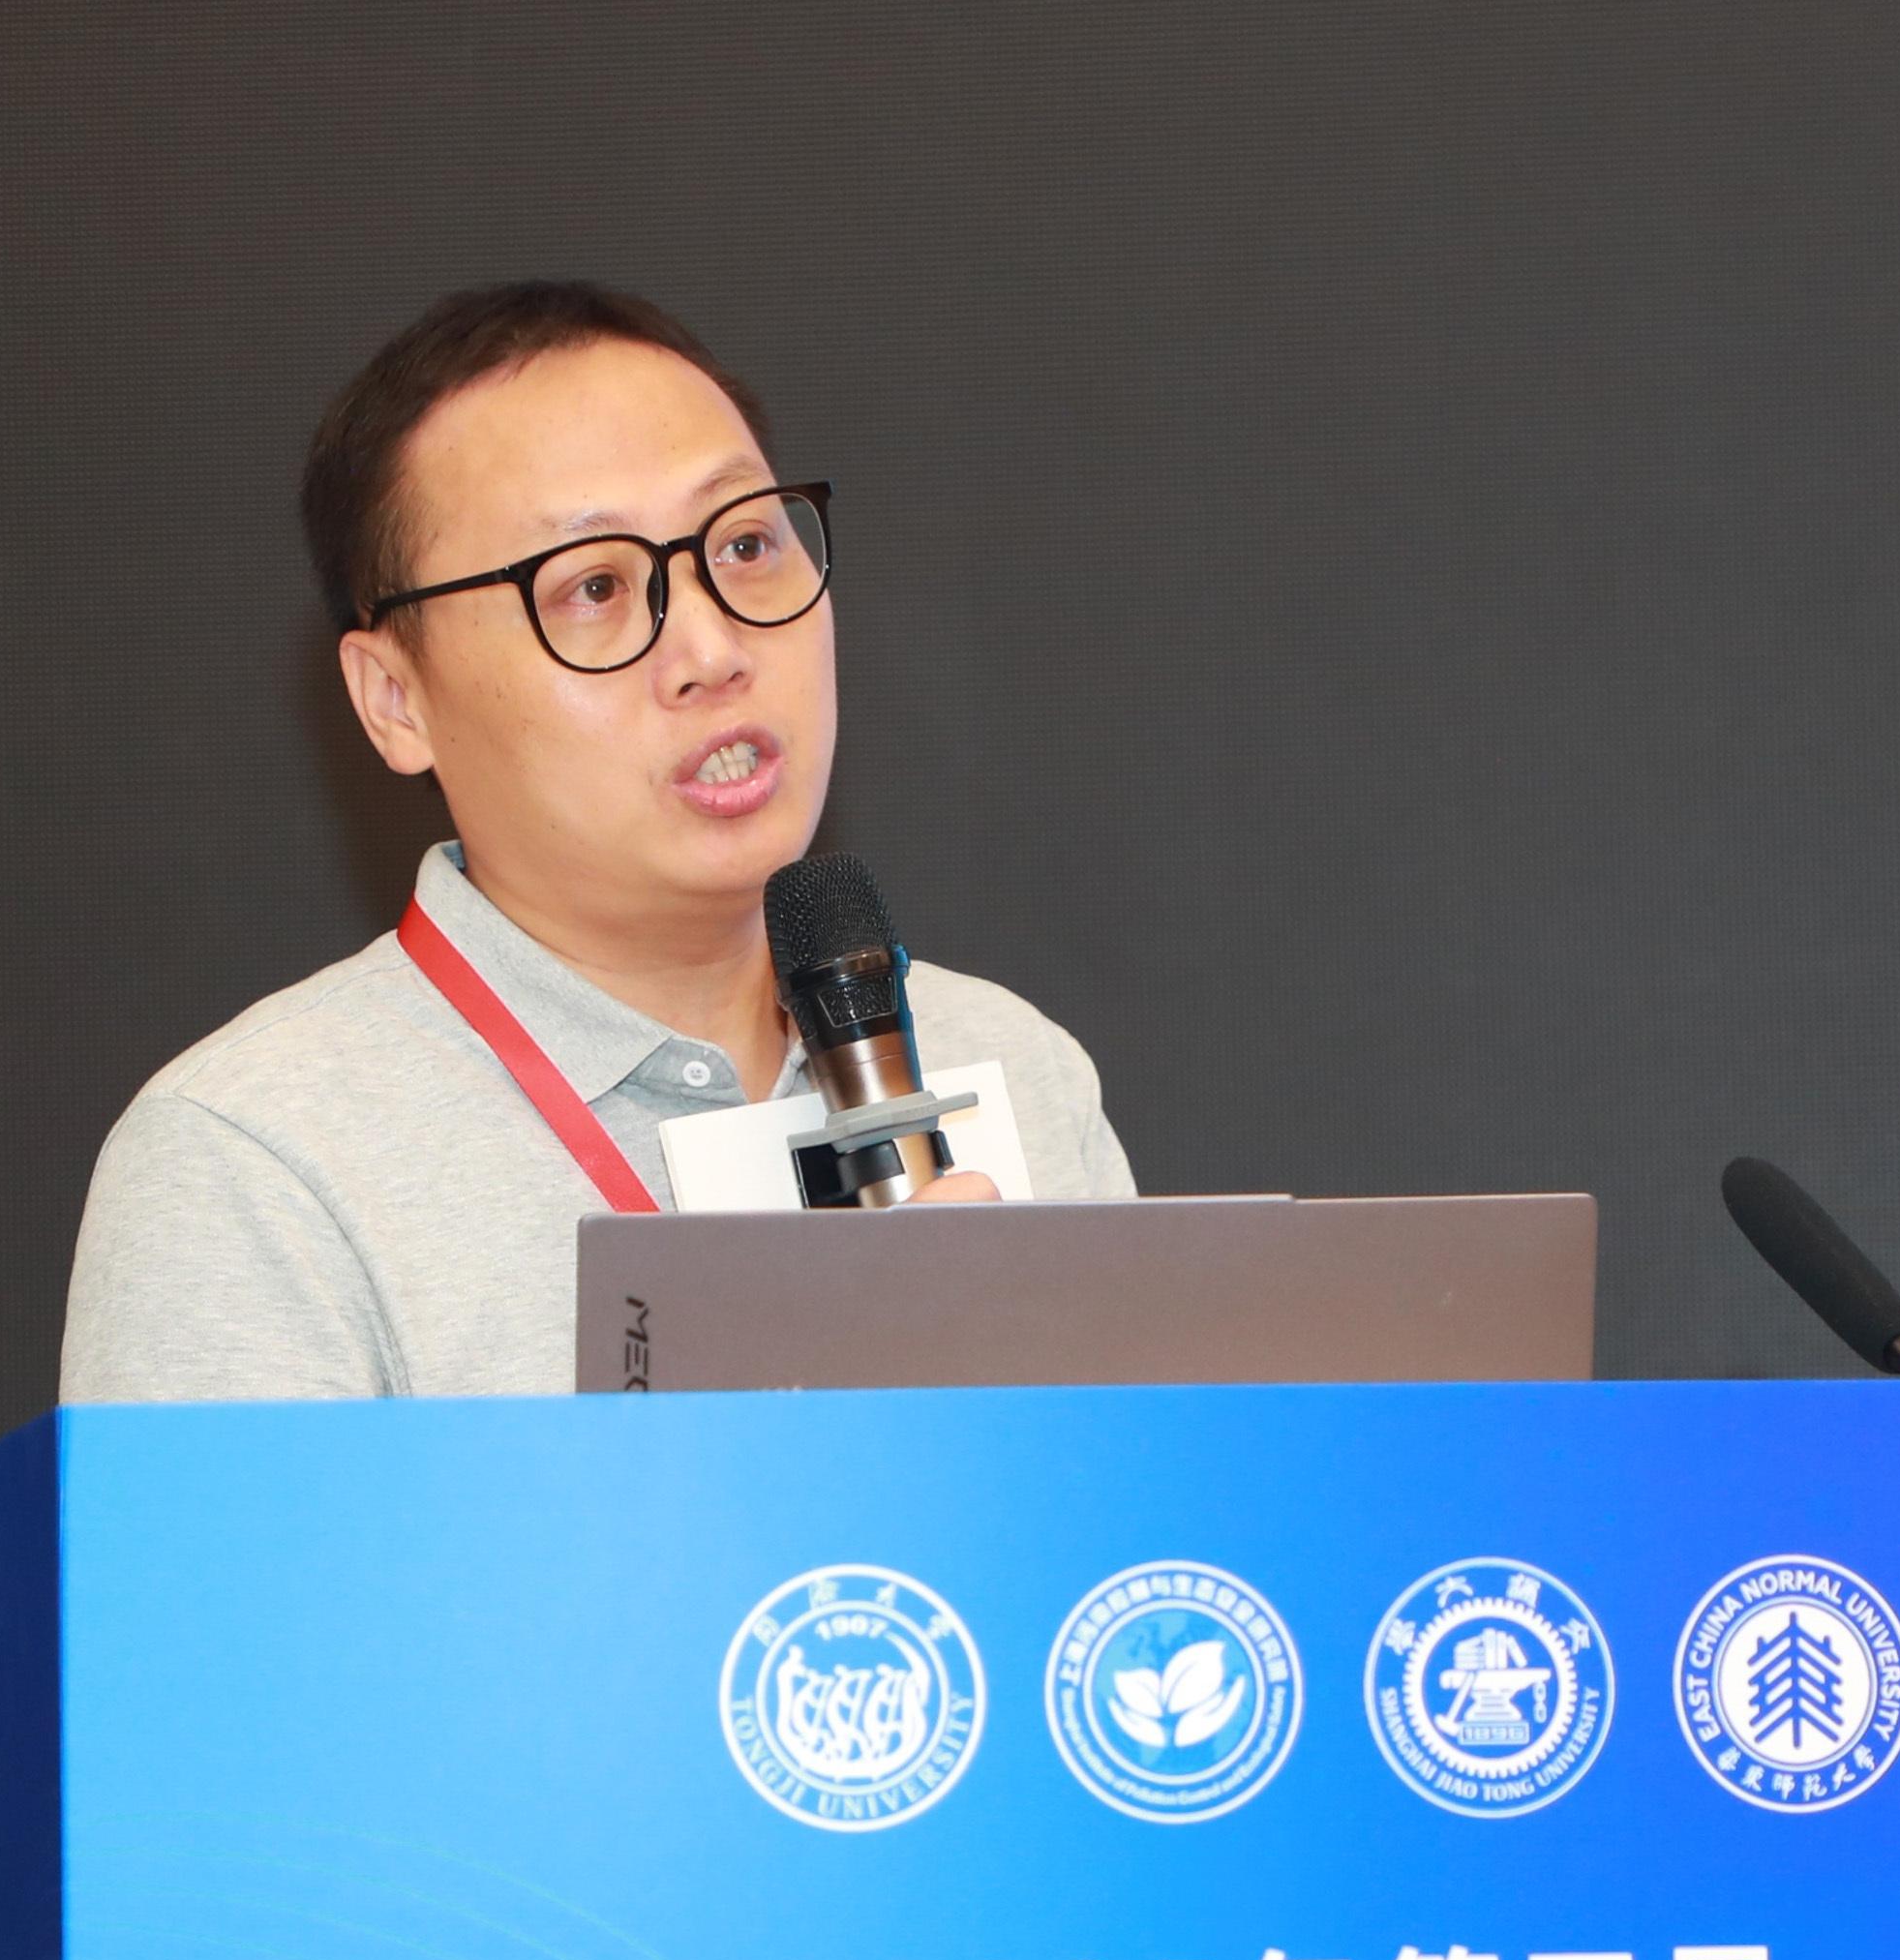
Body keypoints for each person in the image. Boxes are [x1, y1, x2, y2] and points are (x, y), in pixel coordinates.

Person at [60, 281, 1136, 1402]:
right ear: (394, 699)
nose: (711, 648)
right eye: (591, 587)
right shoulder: (256, 1162)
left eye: (746, 542)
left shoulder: (1009, 1066)